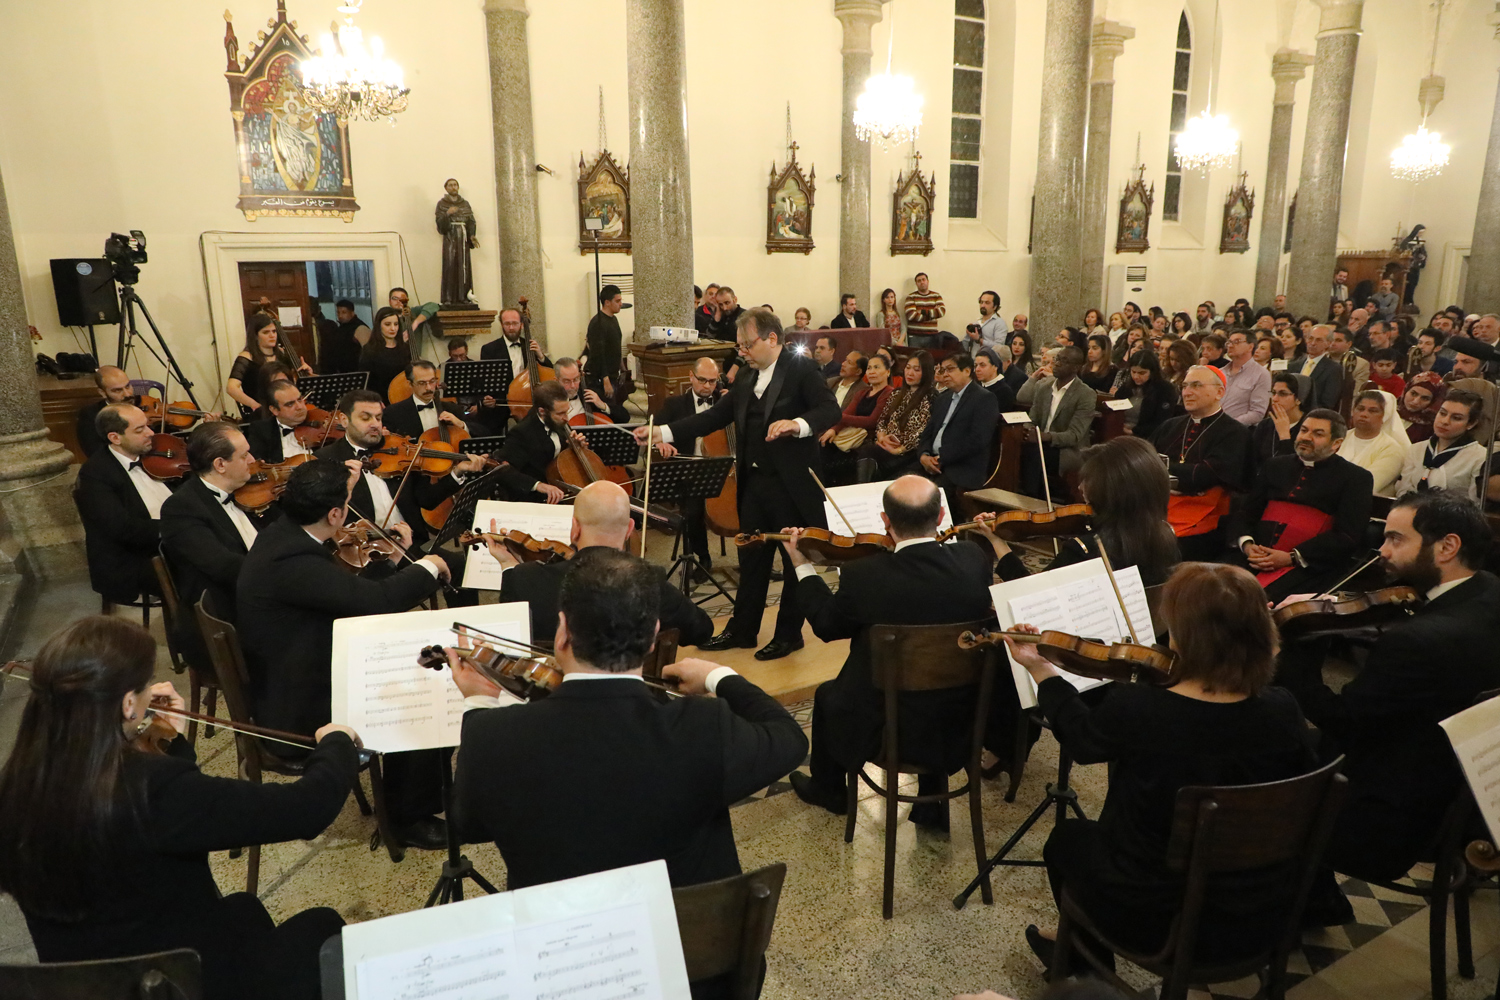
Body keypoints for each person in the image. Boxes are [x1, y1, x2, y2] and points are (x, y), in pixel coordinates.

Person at [0, 616, 357, 1000]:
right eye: (144, 686)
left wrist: (174, 742)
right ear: (127, 705)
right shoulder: (151, 790)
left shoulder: (16, 782)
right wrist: (336, 744)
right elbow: (305, 809)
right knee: (325, 929)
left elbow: (176, 820)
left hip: (91, 982)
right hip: (178, 985)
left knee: (243, 910)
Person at [1008, 563, 1318, 974]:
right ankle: (1071, 945)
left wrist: (1041, 668)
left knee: (1068, 838)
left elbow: (1082, 740)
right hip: (1261, 910)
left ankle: (1083, 970)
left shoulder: (1141, 708)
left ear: (1184, 636)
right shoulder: (1282, 708)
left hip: (1162, 920)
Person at [450, 547, 807, 889]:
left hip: (563, 939)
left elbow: (471, 826)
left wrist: (478, 702)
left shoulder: (490, 733)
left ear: (562, 633)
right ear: (653, 636)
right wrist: (719, 676)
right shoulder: (702, 726)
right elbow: (789, 739)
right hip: (688, 938)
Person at [1278, 491, 1500, 901]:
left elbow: (1343, 721)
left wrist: (1296, 648)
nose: (1382, 550)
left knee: (1263, 754)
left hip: (1395, 813)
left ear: (1448, 547)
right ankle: (1317, 901)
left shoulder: (1417, 642)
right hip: (1458, 790)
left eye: (1396, 539)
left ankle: (1278, 910)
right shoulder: (1488, 591)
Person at [238, 458, 451, 850]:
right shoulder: (293, 560)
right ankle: (406, 819)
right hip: (300, 708)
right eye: (348, 503)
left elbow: (343, 595)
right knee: (424, 693)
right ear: (335, 514)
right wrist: (428, 565)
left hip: (298, 670)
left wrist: (388, 560)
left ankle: (418, 799)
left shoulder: (282, 536)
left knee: (419, 672)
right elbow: (376, 602)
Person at [784, 476, 996, 828]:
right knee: (934, 678)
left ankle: (830, 790)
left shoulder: (865, 575)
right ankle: (931, 808)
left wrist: (801, 564)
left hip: (886, 729)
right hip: (961, 720)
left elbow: (826, 625)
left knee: (827, 695)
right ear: (942, 515)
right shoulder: (973, 559)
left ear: (885, 521)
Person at [636, 307, 840, 661]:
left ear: (772, 339)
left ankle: (789, 634)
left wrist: (797, 424)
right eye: (740, 345)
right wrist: (664, 431)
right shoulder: (746, 377)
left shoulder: (801, 369)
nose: (741, 352)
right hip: (756, 484)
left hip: (792, 485)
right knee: (751, 558)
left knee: (793, 560)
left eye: (746, 344)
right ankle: (743, 629)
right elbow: (714, 416)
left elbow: (830, 410)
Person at [493, 481, 712, 647]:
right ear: (629, 530)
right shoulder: (650, 579)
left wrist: (508, 566)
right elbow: (702, 630)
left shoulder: (525, 578)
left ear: (574, 528)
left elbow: (512, 640)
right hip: (632, 703)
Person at [977, 436, 1180, 587]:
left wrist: (997, 542)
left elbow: (1028, 590)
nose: (1081, 487)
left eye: (1088, 480)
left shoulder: (1086, 550)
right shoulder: (1165, 534)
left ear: (1111, 489)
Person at [1226, 409, 1373, 602]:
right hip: (1254, 557)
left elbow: (1347, 536)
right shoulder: (1275, 466)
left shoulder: (1356, 478)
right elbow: (1246, 513)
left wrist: (1292, 557)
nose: (1306, 437)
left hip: (1309, 565)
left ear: (1336, 443)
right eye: (1304, 430)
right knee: (1212, 587)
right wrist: (1247, 545)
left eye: (1317, 434)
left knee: (1255, 601)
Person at [317, 388, 486, 548]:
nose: (375, 424)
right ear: (345, 420)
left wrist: (458, 472)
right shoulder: (325, 459)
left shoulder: (398, 449)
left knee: (458, 568)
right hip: (361, 549)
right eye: (366, 418)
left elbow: (426, 500)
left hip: (409, 543)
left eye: (378, 417)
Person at [160, 421, 265, 666]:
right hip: (223, 622)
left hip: (256, 598)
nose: (252, 459)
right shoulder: (181, 508)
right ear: (220, 465)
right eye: (244, 455)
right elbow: (223, 566)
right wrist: (278, 572)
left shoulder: (250, 491)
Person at [1150, 365, 1251, 561]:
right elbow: (1145, 460)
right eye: (1185, 386)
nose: (1187, 392)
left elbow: (1207, 475)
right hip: (1159, 506)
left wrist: (1165, 468)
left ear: (1219, 392)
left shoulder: (1235, 433)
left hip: (1204, 514)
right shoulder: (1170, 425)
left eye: (1196, 385)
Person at [76, 403, 173, 605]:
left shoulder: (155, 454)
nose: (151, 433)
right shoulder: (95, 474)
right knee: (202, 573)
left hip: (170, 541)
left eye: (147, 425)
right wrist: (177, 528)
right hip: (135, 558)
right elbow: (122, 528)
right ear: (115, 437)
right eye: (140, 430)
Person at [918, 352, 999, 516]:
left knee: (928, 499)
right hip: (933, 462)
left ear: (967, 371)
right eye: (942, 370)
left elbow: (978, 440)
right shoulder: (943, 399)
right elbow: (927, 433)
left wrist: (941, 458)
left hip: (961, 466)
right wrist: (924, 455)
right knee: (901, 482)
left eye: (950, 369)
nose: (945, 375)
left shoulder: (984, 399)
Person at [1016, 347, 1097, 499]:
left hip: (1068, 449)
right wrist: (1027, 431)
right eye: (1057, 359)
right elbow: (1032, 419)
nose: (1057, 363)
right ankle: (1026, 496)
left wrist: (1044, 437)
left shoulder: (1086, 394)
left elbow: (1074, 435)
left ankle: (1031, 498)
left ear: (1076, 367)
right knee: (1017, 447)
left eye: (1064, 361)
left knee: (1036, 454)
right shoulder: (1043, 387)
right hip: (1040, 443)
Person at [490, 381, 584, 505]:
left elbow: (561, 461)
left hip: (560, 492)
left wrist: (577, 448)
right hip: (534, 499)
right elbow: (502, 470)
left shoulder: (559, 423)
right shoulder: (522, 433)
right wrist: (538, 485)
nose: (566, 418)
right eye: (560, 413)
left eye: (567, 411)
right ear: (542, 411)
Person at [1395, 388, 1486, 501]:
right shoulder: (1416, 449)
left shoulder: (1480, 457)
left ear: (1471, 424)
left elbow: (1474, 503)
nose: (1445, 421)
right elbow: (1403, 491)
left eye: (1456, 418)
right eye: (1442, 413)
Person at [229, 314, 310, 416]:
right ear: (255, 336)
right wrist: (255, 405)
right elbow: (231, 388)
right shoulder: (246, 358)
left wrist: (308, 374)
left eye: (274, 331)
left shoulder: (282, 355)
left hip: (286, 411)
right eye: (266, 332)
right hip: (262, 414)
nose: (272, 335)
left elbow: (293, 383)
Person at [1338, 391, 1407, 495]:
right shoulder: (1340, 438)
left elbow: (1366, 485)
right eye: (1360, 409)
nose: (1364, 414)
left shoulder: (1392, 449)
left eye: (1373, 411)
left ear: (1385, 415)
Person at [382, 359, 471, 439]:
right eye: (422, 383)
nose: (428, 388)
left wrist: (461, 425)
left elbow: (470, 438)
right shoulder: (393, 413)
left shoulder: (453, 409)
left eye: (432, 381)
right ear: (410, 384)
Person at [242, 379, 315, 463]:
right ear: (274, 410)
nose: (299, 407)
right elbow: (257, 465)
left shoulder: (319, 422)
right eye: (290, 404)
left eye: (300, 400)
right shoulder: (261, 430)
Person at [1111, 350, 1177, 440]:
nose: (1136, 376)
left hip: (1147, 438)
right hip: (1119, 433)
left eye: (1142, 373)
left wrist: (1135, 431)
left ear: (1152, 372)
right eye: (1133, 372)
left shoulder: (1165, 389)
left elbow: (1162, 422)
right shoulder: (1127, 386)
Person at [75, 365, 134, 457]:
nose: (127, 394)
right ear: (102, 393)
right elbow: (94, 453)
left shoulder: (142, 404)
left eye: (127, 386)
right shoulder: (90, 415)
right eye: (117, 390)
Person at [356, 306, 411, 404]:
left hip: (404, 398)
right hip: (380, 401)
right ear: (379, 326)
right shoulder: (369, 350)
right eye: (387, 324)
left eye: (396, 324)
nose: (393, 328)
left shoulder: (405, 348)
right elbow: (366, 383)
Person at [1252, 372, 1306, 470]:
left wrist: (1284, 435)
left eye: (1283, 394)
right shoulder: (1265, 425)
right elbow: (1252, 460)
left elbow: (1297, 466)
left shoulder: (1307, 427)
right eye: (1273, 393)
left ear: (1298, 399)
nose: (1275, 399)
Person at [553, 355, 630, 424]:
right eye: (567, 381)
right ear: (556, 380)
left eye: (576, 379)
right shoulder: (550, 400)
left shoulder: (590, 393)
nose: (573, 386)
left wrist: (603, 406)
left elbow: (625, 417)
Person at [1219, 329, 1271, 426]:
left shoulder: (1261, 374)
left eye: (1237, 342)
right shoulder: (1221, 372)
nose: (1230, 345)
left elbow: (1257, 412)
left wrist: (1229, 425)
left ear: (1250, 347)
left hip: (1238, 430)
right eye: (1229, 342)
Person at [319, 298, 368, 374]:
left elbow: (368, 352)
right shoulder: (342, 327)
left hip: (355, 371)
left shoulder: (360, 328)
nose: (340, 315)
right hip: (342, 372)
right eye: (338, 312)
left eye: (344, 312)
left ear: (352, 313)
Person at [1398, 372, 1446, 442]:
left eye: (1425, 398)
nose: (1415, 401)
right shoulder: (1388, 409)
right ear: (1406, 390)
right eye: (1413, 393)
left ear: (1433, 402)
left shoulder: (1432, 428)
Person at [903, 272, 945, 345]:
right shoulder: (911, 297)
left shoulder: (936, 296)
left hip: (932, 336)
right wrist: (932, 314)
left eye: (923, 280)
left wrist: (921, 312)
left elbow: (941, 312)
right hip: (915, 336)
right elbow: (911, 316)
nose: (922, 282)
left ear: (927, 281)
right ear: (916, 284)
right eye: (919, 281)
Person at [972, 347, 1017, 411]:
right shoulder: (975, 386)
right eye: (976, 365)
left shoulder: (1004, 391)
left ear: (995, 367)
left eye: (982, 365)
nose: (977, 369)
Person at [967, 291, 1004, 356]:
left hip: (990, 363)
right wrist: (968, 334)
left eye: (987, 303)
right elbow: (967, 345)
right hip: (974, 361)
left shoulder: (999, 323)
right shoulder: (976, 322)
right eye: (981, 302)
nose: (983, 305)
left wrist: (980, 340)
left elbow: (999, 347)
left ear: (995, 306)